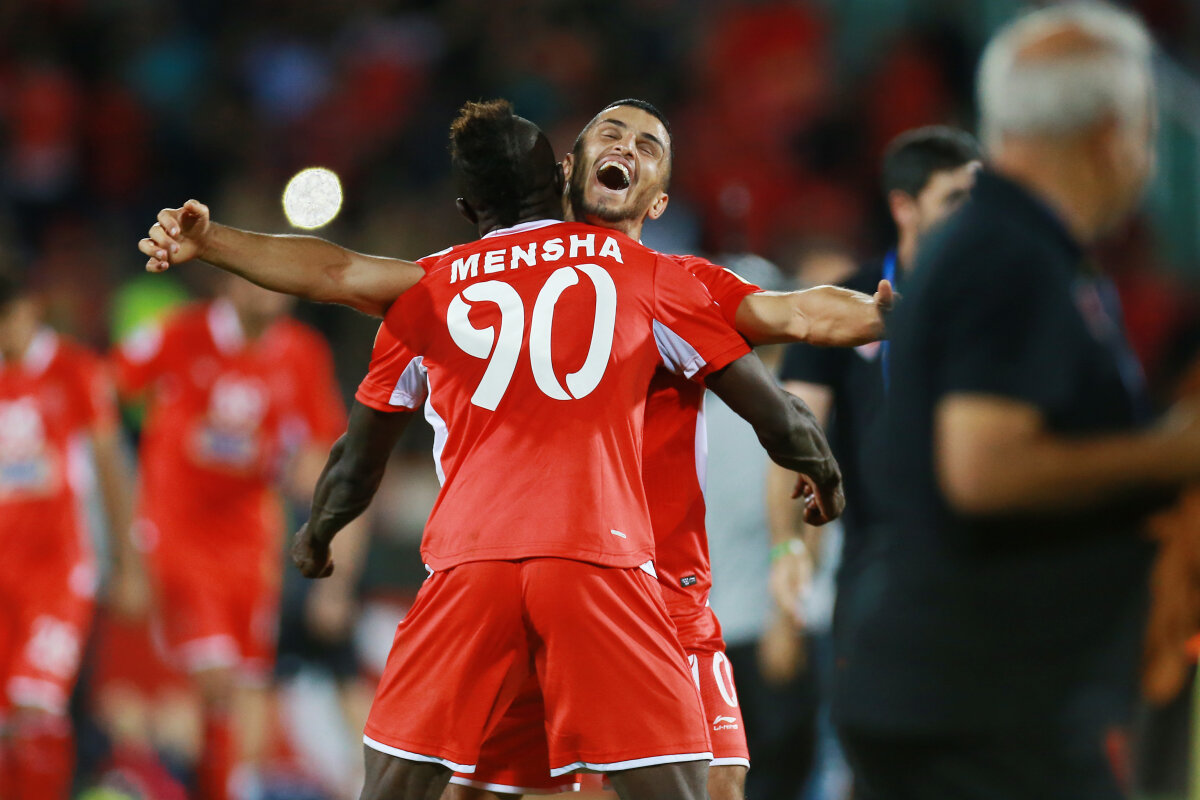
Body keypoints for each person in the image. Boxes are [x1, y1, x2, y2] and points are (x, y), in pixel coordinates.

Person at [139, 97, 886, 800]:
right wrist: (826, 453)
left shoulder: (467, 281)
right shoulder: (650, 281)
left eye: (647, 144)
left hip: (640, 589)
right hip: (601, 570)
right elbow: (786, 366)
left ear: (659, 200)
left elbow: (802, 312)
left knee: (700, 786)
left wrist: (887, 309)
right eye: (611, 133)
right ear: (567, 169)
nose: (626, 147)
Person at [832, 5, 1200, 798]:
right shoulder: (1009, 253)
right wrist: (1173, 453)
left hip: (954, 692)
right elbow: (984, 468)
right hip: (982, 705)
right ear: (1111, 133)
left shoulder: (1004, 245)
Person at [112, 273, 357, 800]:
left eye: (279, 279)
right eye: (259, 277)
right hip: (179, 532)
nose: (271, 289)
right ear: (231, 282)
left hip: (252, 545)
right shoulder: (180, 333)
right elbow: (112, 385)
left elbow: (322, 450)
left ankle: (228, 785)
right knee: (216, 674)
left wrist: (311, 488)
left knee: (245, 686)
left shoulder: (302, 353)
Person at [768, 126, 979, 634]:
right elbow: (793, 431)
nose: (972, 214)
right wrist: (789, 546)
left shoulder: (1000, 299)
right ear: (904, 207)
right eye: (954, 199)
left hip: (981, 565)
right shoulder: (849, 301)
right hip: (877, 567)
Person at [0, 264, 141, 800]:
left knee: (36, 706)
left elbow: (111, 469)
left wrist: (128, 563)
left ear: (29, 310)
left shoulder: (75, 370)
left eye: (7, 319)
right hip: (3, 572)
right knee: (9, 720)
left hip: (58, 570)